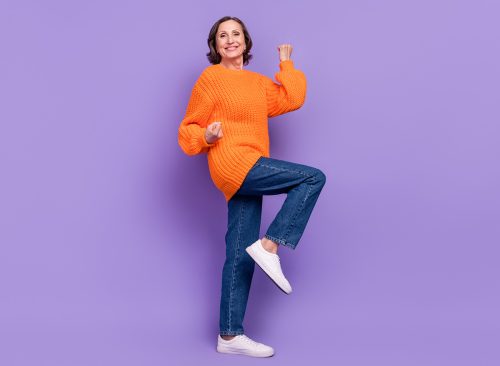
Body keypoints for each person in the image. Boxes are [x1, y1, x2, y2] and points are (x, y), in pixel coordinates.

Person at [178, 16, 326, 358]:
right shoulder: (211, 79)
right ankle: (271, 246)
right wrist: (206, 135)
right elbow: (187, 130)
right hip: (233, 162)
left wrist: (286, 64)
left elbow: (292, 99)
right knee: (312, 177)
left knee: (239, 251)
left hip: (248, 167)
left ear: (246, 42)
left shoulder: (257, 84)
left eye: (235, 34)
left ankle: (229, 336)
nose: (230, 40)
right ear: (215, 47)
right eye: (222, 36)